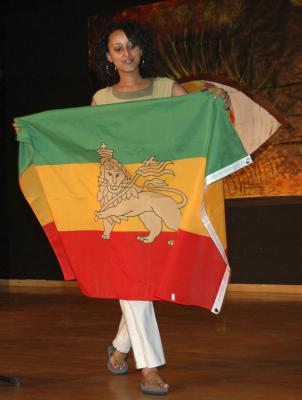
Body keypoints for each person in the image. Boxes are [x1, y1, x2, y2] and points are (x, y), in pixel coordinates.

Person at [91, 21, 187, 396]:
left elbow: (198, 118)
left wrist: (216, 103)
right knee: (131, 277)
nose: (126, 53)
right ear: (109, 56)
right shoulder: (100, 99)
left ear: (142, 49)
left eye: (131, 45)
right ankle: (150, 367)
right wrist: (35, 134)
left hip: (160, 190)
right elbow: (89, 144)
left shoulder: (165, 88)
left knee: (149, 280)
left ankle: (120, 346)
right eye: (117, 48)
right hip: (122, 201)